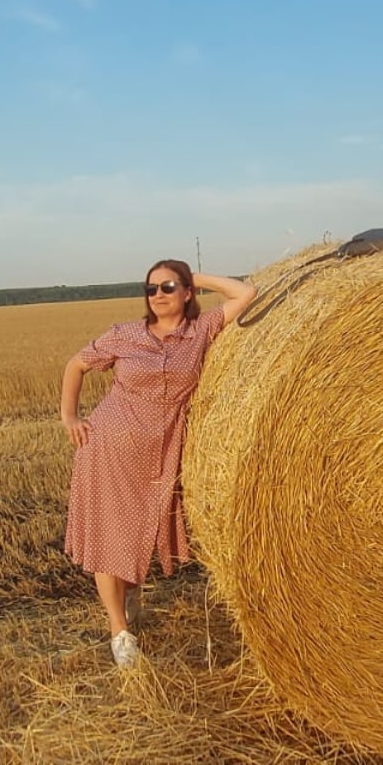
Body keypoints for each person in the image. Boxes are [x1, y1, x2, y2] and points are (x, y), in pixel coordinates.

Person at [60, 260, 257, 667]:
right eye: (151, 289)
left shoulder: (201, 330)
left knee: (141, 533)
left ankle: (129, 591)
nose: (158, 295)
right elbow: (75, 365)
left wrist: (194, 277)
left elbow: (245, 294)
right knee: (110, 537)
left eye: (168, 287)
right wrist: (70, 417)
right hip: (107, 449)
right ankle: (119, 631)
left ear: (187, 292)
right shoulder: (125, 334)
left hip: (160, 453)